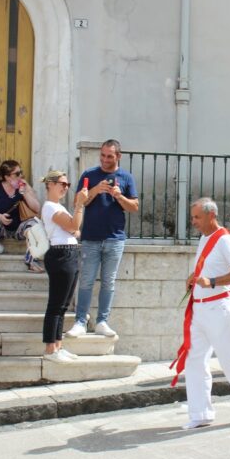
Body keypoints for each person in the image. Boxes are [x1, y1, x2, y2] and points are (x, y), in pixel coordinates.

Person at [175, 198, 230, 429]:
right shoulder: (204, 238)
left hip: (219, 307)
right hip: (201, 308)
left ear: (211, 215)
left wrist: (211, 281)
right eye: (192, 217)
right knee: (194, 360)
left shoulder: (225, 240)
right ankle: (201, 412)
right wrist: (195, 279)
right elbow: (207, 270)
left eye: (197, 217)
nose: (193, 222)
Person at [67, 139, 139, 338]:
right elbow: (77, 202)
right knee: (86, 281)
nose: (105, 160)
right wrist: (94, 191)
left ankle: (102, 321)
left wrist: (119, 196)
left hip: (115, 238)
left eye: (109, 156)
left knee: (109, 282)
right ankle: (81, 321)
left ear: (118, 157)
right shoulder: (89, 175)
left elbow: (134, 207)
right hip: (91, 237)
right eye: (103, 155)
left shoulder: (126, 177)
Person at [39, 170, 87, 362]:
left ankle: (57, 345)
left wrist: (74, 224)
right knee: (56, 304)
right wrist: (80, 205)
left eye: (67, 185)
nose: (65, 188)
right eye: (62, 183)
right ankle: (51, 349)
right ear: (50, 184)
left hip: (69, 253)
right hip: (60, 254)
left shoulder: (58, 207)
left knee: (63, 304)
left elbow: (75, 229)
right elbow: (74, 226)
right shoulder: (50, 207)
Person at [0, 160, 43, 272]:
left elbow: (37, 208)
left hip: (19, 228)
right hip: (1, 229)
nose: (21, 176)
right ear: (7, 177)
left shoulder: (23, 185)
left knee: (35, 224)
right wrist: (0, 217)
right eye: (17, 174)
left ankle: (32, 260)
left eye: (21, 172)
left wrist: (25, 193)